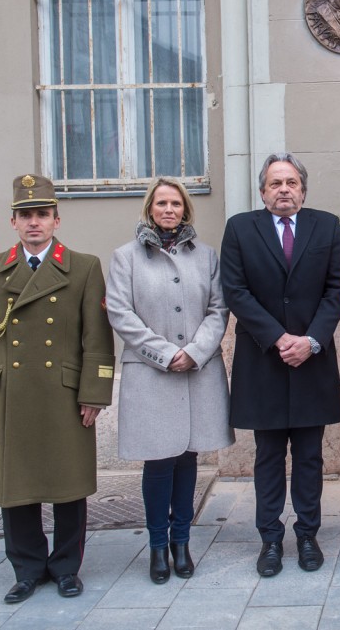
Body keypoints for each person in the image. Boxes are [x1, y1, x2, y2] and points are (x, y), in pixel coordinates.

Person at [0, 175, 115, 603]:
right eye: (26, 215)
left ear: (56, 220)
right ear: (12, 222)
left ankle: (66, 568)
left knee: (69, 484)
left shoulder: (83, 266)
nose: (34, 222)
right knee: (16, 487)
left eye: (42, 214)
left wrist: (94, 393)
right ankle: (27, 569)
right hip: (11, 394)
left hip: (64, 394)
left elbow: (96, 337)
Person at [220, 153, 340, 577]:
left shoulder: (325, 226)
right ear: (262, 192)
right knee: (269, 456)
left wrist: (311, 341)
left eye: (291, 182)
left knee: (310, 456)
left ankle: (308, 535)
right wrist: (278, 338)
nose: (284, 190)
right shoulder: (240, 228)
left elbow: (336, 289)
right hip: (264, 361)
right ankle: (270, 539)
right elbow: (236, 290)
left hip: (312, 360)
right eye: (275, 183)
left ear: (303, 190)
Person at [106, 178, 235, 584]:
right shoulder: (125, 257)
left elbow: (218, 309)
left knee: (188, 458)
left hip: (198, 370)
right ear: (150, 208)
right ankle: (158, 545)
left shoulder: (206, 256)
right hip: (151, 373)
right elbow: (120, 313)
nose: (168, 210)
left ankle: (182, 541)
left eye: (175, 204)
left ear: (185, 210)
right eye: (161, 203)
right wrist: (164, 353)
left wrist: (194, 352)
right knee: (159, 461)